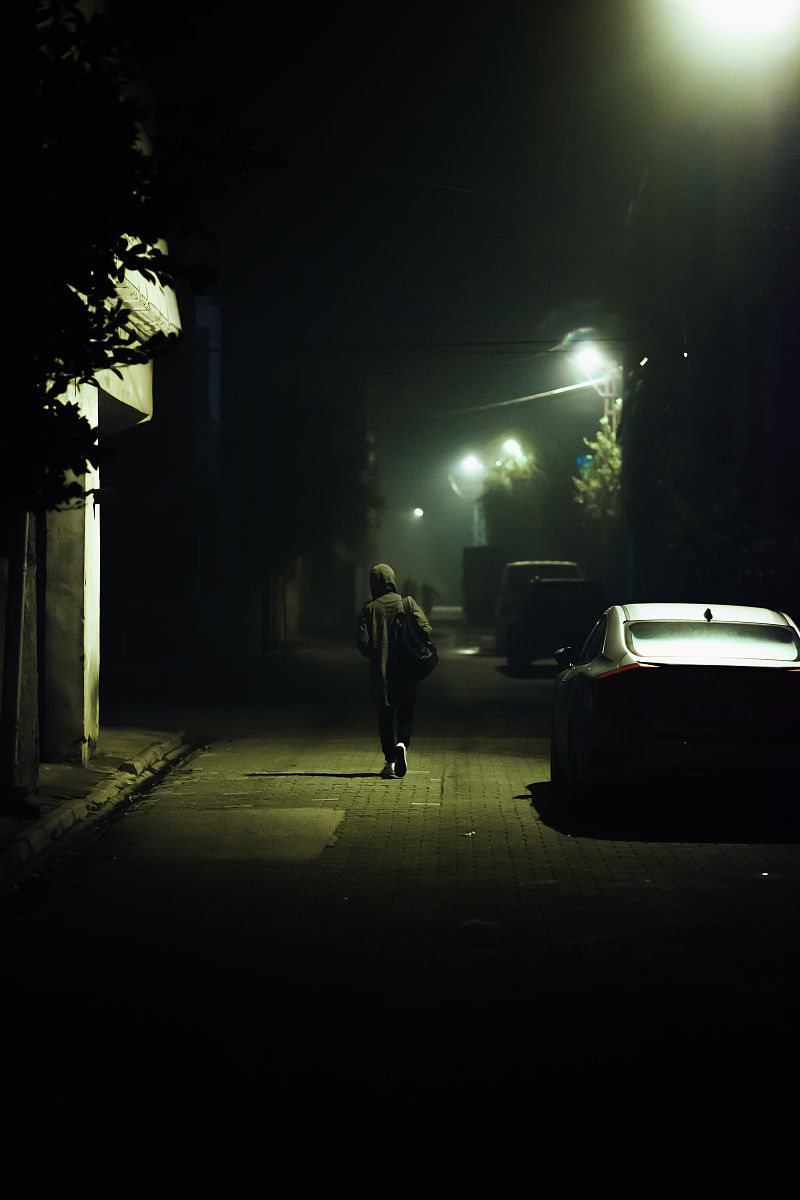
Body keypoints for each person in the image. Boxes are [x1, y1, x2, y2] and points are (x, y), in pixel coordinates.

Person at [356, 563, 433, 779]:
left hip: (381, 674)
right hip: (407, 670)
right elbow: (426, 629)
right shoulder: (407, 603)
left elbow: (362, 642)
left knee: (385, 717)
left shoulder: (368, 608)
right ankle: (402, 744)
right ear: (392, 580)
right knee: (406, 714)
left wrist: (375, 653)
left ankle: (389, 761)